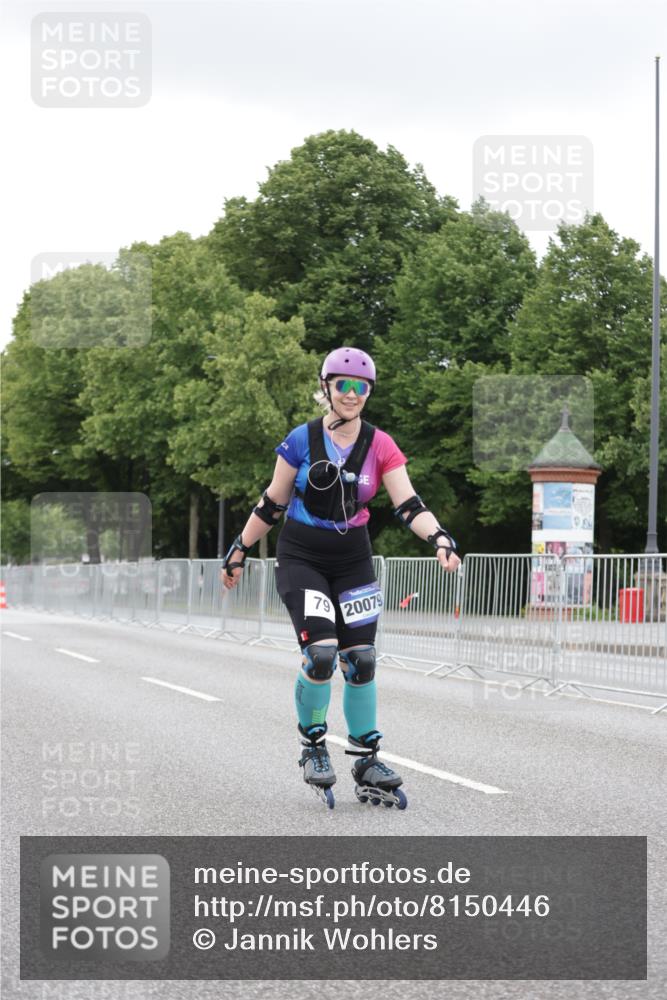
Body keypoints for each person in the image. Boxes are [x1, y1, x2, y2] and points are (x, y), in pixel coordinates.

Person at [222, 347, 460, 809]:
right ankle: (313, 743)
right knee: (322, 653)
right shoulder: (301, 440)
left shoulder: (380, 444)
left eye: (361, 387)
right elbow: (272, 503)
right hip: (302, 553)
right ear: (327, 387)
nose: (351, 394)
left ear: (369, 392)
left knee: (362, 658)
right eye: (342, 385)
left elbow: (408, 504)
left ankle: (366, 758)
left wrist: (440, 539)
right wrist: (239, 549)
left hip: (354, 557)